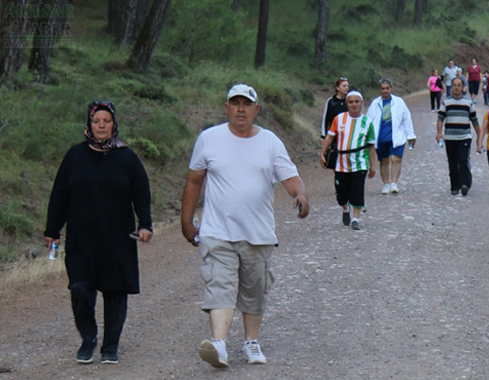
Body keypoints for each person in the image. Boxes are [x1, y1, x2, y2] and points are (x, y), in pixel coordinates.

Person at [181, 84, 310, 368]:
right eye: (235, 103)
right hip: (217, 230)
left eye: (246, 104)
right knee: (219, 283)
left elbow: (290, 177)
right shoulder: (209, 139)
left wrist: (300, 195)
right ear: (226, 107)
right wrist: (186, 220)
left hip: (258, 232)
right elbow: (194, 181)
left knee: (255, 289)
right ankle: (219, 345)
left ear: (256, 109)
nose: (241, 109)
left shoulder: (270, 142)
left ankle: (251, 341)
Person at [44, 100, 153, 365]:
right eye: (96, 121)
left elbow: (141, 191)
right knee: (80, 287)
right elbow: (60, 193)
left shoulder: (127, 157)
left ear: (114, 123)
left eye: (106, 121)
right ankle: (89, 337)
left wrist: (145, 223)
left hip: (117, 238)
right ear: (89, 124)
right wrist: (52, 229)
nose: (101, 125)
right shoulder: (75, 156)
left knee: (115, 290)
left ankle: (110, 346)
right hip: (81, 237)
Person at [320, 90, 377, 229]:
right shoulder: (339, 119)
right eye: (351, 102)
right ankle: (345, 208)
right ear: (347, 104)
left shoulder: (367, 122)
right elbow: (329, 137)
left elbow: (371, 146)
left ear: (361, 103)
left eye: (356, 102)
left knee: (357, 189)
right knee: (341, 193)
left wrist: (372, 165)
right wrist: (322, 153)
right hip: (341, 162)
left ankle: (356, 218)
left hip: (360, 163)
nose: (354, 105)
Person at [367, 79, 416, 194]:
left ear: (391, 89)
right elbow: (368, 120)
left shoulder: (399, 102)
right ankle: (385, 184)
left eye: (387, 88)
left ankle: (394, 183)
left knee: (396, 158)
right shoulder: (375, 104)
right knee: (384, 160)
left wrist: (411, 135)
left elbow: (406, 119)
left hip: (396, 136)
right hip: (381, 137)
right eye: (383, 89)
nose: (385, 91)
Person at [436, 77, 481, 196]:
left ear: (463, 87)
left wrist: (479, 136)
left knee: (463, 160)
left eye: (459, 85)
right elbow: (440, 118)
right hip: (450, 137)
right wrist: (439, 133)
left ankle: (465, 184)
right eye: (454, 85)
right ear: (452, 87)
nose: (456, 87)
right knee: (452, 162)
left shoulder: (468, 102)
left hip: (464, 137)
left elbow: (474, 120)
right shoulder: (446, 102)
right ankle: (454, 186)